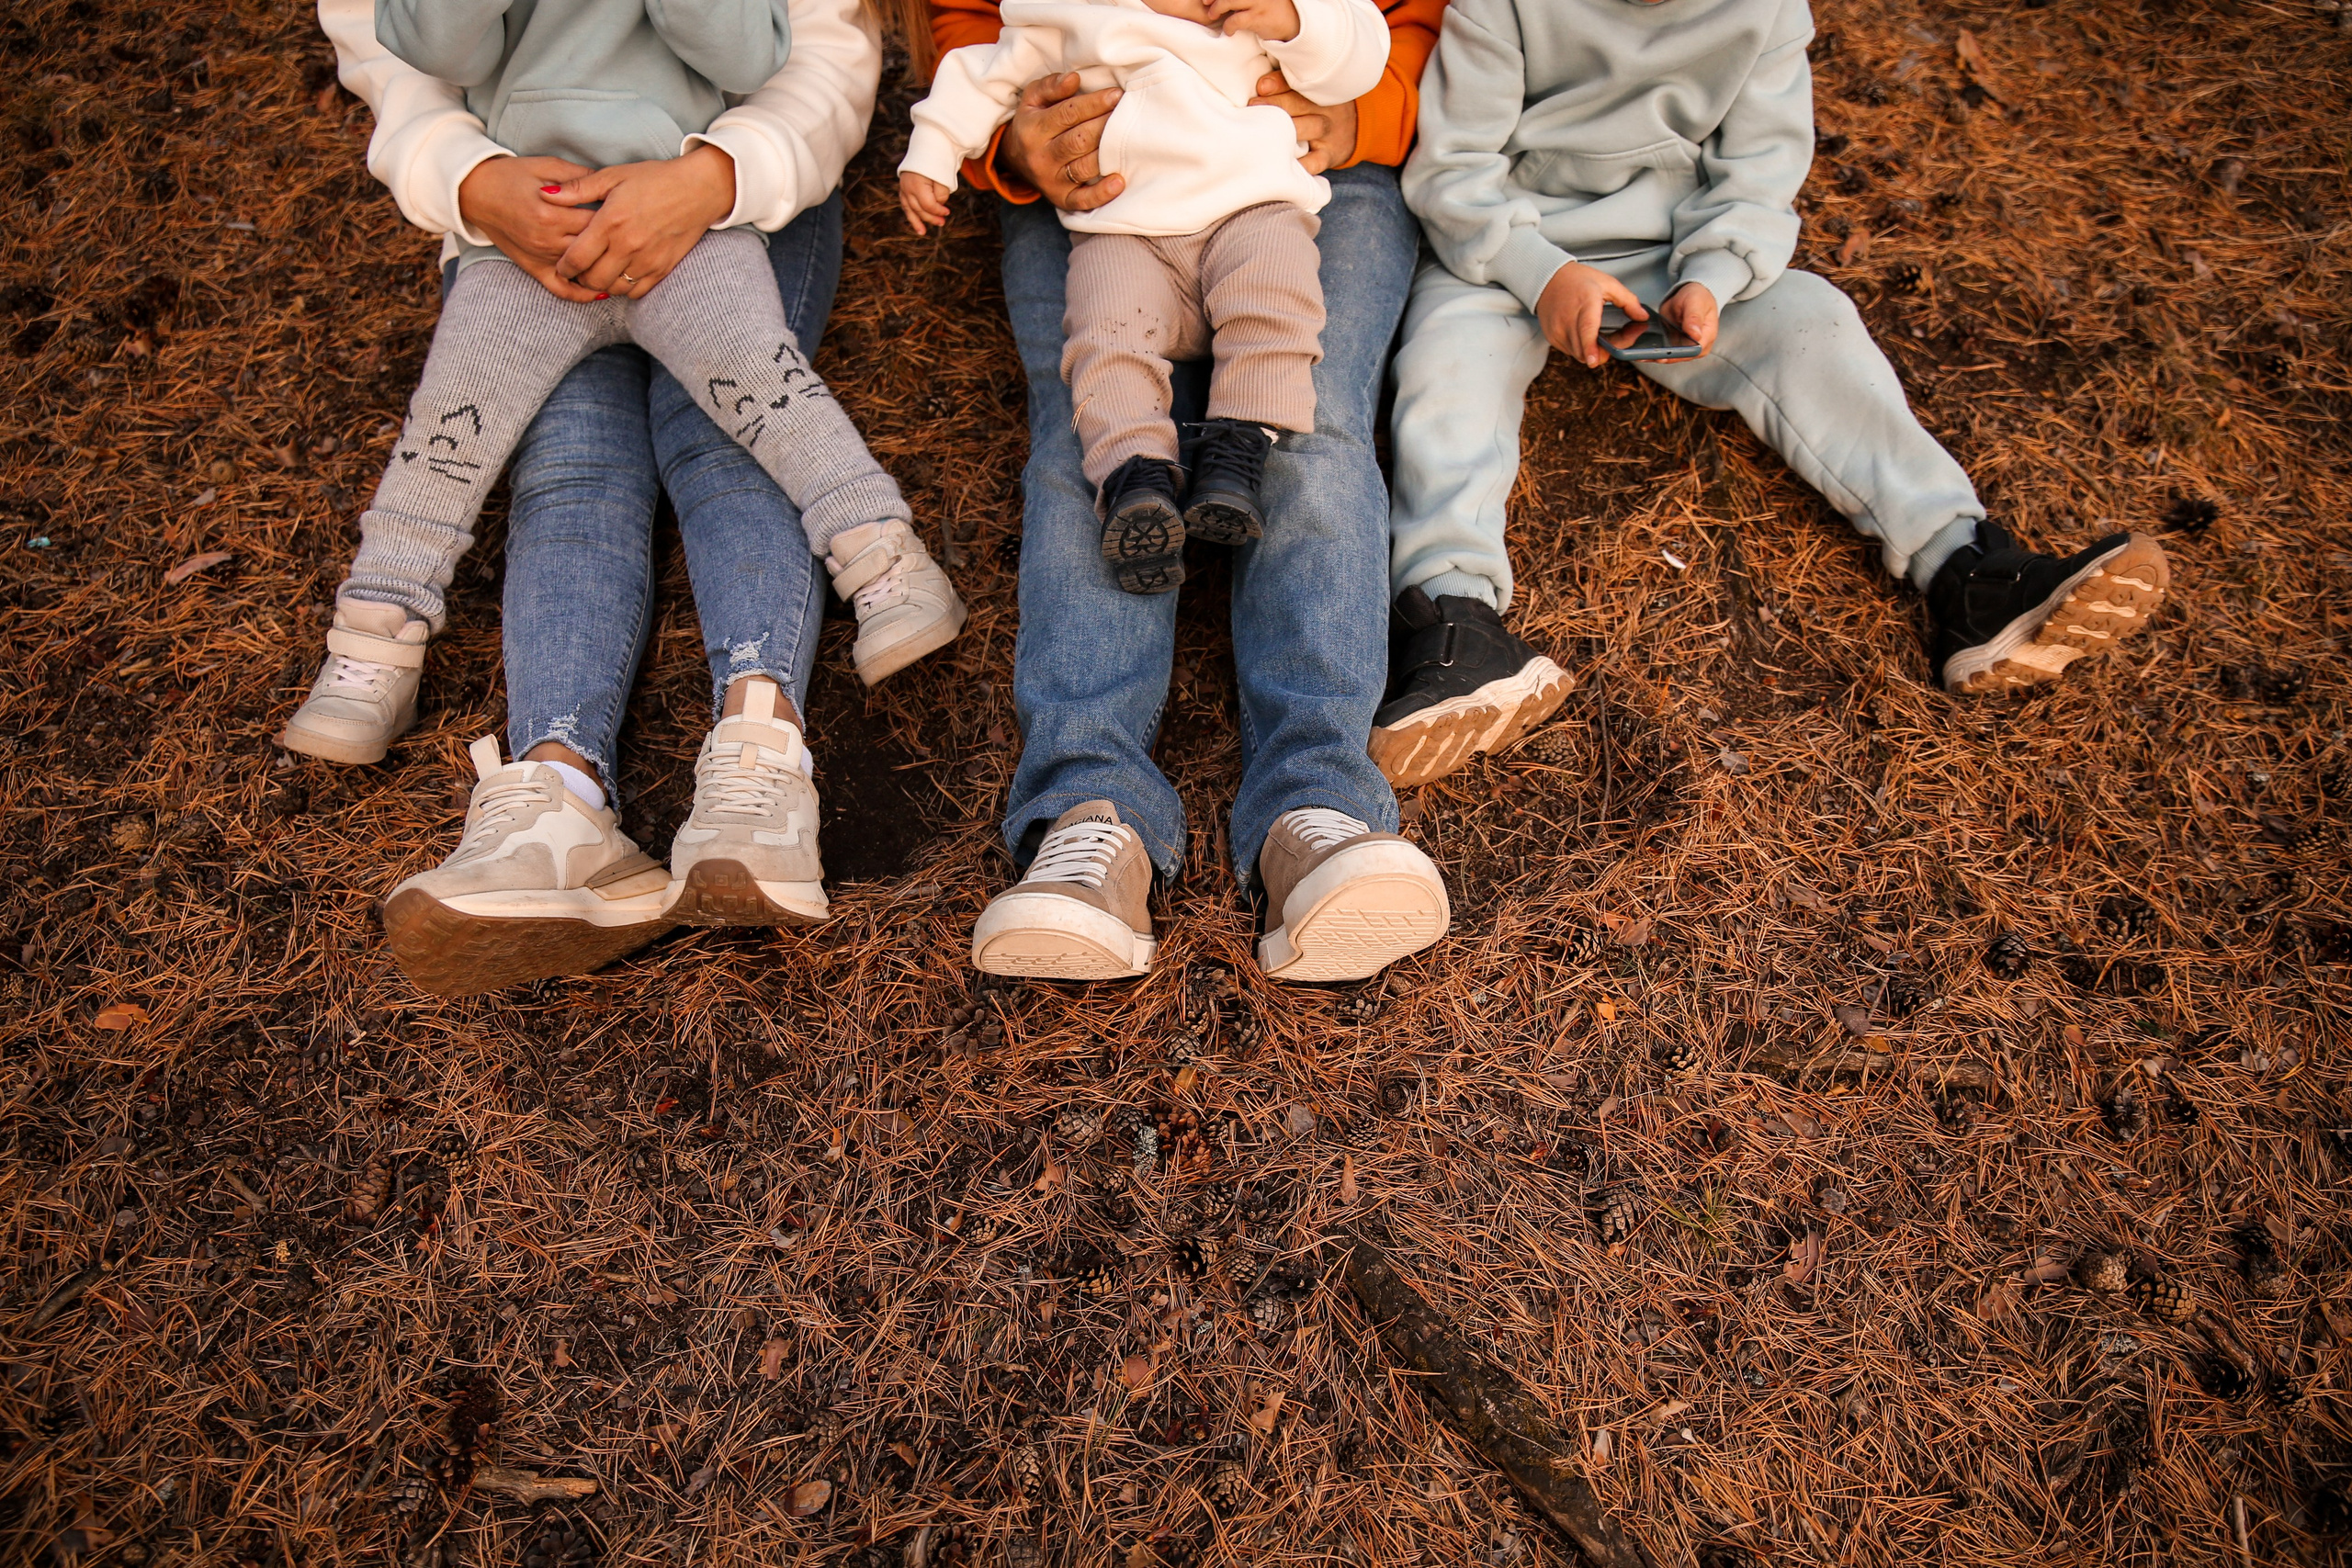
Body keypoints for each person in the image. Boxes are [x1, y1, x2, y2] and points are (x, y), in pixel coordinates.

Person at [1374, 0, 2172, 789]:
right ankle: (1454, 618)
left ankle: (1967, 570)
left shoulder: (1766, 11)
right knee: (1447, 365)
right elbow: (1454, 169)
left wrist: (1713, 276)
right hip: (1508, 256)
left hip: (1670, 253)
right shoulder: (1499, 6)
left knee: (1812, 319)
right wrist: (1540, 271)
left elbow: (1757, 177)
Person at [315, 0, 898, 994]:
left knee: (723, 435)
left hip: (741, 187)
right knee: (569, 462)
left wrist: (714, 178)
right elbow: (389, 46)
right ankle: (556, 789)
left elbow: (829, 45)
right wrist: (470, 179)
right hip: (523, 208)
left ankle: (761, 760)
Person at [284, 0, 966, 774]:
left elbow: (749, 58)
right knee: (451, 432)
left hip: (683, 209)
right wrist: (470, 181)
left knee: (765, 391)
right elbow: (440, 48)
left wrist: (704, 179)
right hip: (524, 233)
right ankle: (376, 636)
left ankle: (883, 558)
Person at [929, 0, 1456, 985]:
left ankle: (1318, 807)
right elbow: (970, 20)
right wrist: (1005, 139)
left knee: (1312, 425)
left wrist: (1373, 108)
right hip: (1100, 168)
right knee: (1086, 435)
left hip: (1307, 155)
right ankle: (1089, 815)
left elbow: (1424, 17)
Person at [899, 0, 1388, 593]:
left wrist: (1293, 16)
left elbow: (1360, 49)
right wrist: (933, 149)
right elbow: (984, 73)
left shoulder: (1249, 13)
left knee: (1278, 305)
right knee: (1104, 345)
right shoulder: (1072, 14)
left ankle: (1238, 447)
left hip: (1250, 211)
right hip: (1124, 232)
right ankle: (1136, 477)